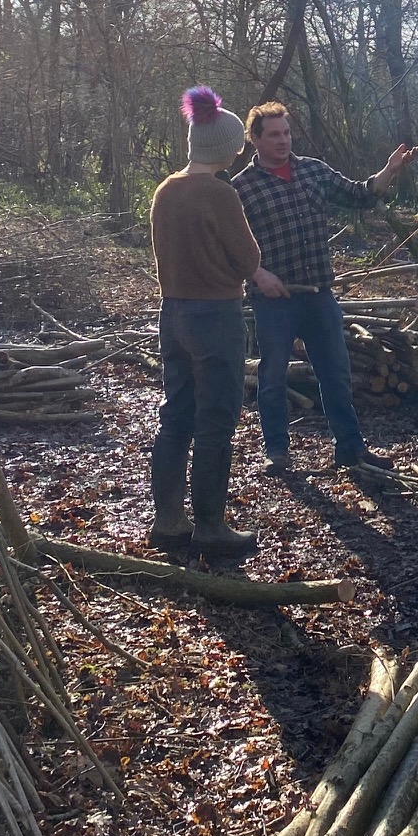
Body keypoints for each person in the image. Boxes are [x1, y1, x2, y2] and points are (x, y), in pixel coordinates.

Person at [232, 101, 414, 475]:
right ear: (255, 140)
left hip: (319, 295)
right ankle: (277, 453)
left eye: (286, 132)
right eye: (274, 135)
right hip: (274, 300)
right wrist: (258, 274)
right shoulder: (241, 188)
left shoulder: (313, 171)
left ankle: (350, 449)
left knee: (336, 373)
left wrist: (390, 172)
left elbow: (360, 194)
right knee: (272, 377)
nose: (283, 140)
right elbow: (229, 246)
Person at [148, 88, 263, 558]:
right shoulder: (220, 193)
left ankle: (169, 521)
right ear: (225, 148)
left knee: (176, 416)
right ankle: (211, 528)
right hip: (214, 315)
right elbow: (248, 259)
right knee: (216, 420)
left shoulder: (166, 189)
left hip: (172, 312)